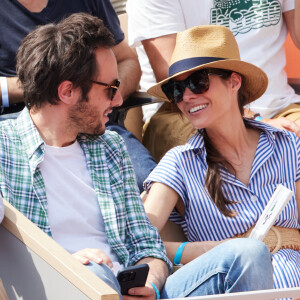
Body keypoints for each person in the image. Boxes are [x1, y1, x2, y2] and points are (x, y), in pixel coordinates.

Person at [0, 13, 275, 299]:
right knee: (93, 273)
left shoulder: (110, 147)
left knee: (249, 253)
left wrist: (151, 282)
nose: (119, 100)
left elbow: (148, 247)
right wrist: (67, 267)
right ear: (67, 91)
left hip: (127, 288)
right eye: (110, 89)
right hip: (67, 288)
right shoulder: (4, 150)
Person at [143, 24, 300, 292]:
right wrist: (202, 251)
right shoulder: (180, 162)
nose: (188, 96)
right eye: (176, 90)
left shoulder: (287, 146)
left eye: (198, 82)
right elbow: (136, 237)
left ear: (234, 81)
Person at [0, 0, 156, 192]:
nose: (118, 100)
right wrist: (48, 83)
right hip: (21, 126)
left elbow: (127, 60)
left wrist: (104, 96)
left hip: (101, 125)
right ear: (65, 90)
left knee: (150, 185)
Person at [127, 0, 300, 162]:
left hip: (280, 107)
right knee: (239, 151)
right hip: (188, 113)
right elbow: (175, 76)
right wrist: (259, 125)